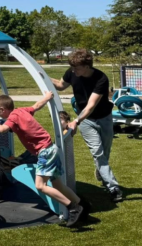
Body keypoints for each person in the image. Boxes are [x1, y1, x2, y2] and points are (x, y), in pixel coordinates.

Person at [0, 92, 85, 227]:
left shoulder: (13, 117)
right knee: (58, 185)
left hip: (45, 152)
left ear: (3, 110)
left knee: (40, 186)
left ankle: (73, 208)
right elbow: (37, 106)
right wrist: (47, 97)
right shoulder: (21, 111)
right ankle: (81, 204)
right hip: (51, 149)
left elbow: (2, 129)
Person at [51, 49, 123, 203]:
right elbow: (60, 85)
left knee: (105, 151)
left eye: (76, 68)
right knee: (97, 152)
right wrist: (41, 75)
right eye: (72, 67)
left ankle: (101, 171)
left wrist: (76, 121)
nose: (73, 70)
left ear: (87, 66)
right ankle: (113, 187)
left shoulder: (101, 79)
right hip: (85, 121)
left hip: (104, 118)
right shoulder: (72, 72)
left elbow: (91, 106)